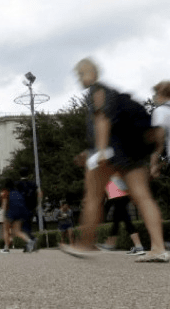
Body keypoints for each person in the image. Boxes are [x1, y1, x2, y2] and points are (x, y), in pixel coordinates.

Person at [60, 58, 167, 262]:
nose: (80, 78)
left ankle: (86, 244)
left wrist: (99, 151)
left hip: (110, 152)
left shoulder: (97, 90)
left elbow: (102, 119)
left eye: (81, 74)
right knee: (143, 197)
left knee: (92, 197)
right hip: (131, 153)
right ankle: (158, 247)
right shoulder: (115, 94)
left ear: (91, 73)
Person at [96, 177, 145, 255]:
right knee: (118, 220)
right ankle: (110, 244)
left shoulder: (110, 169)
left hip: (119, 195)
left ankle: (138, 246)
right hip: (119, 195)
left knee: (125, 221)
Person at [0, 178, 35, 254]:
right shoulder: (17, 192)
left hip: (10, 212)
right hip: (20, 213)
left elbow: (4, 204)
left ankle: (6, 248)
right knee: (17, 231)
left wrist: (3, 216)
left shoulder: (5, 192)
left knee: (6, 230)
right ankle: (29, 241)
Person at [151, 80, 170, 177]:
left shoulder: (161, 111)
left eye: (155, 93)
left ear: (160, 94)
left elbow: (159, 140)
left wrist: (154, 165)